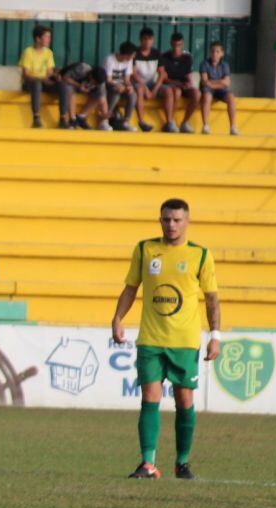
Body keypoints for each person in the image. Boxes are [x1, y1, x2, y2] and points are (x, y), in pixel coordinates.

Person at [111, 199, 220, 480]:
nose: (171, 225)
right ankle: (147, 463)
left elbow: (212, 299)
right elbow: (131, 288)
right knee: (150, 396)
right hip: (151, 339)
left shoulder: (200, 255)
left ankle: (182, 463)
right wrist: (118, 318)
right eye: (166, 219)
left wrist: (215, 336)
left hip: (184, 342)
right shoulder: (146, 249)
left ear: (186, 222)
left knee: (184, 400)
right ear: (160, 220)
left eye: (176, 220)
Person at [157, 32, 199, 133]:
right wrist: (177, 83)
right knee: (177, 92)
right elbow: (164, 78)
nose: (176, 48)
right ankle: (170, 122)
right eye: (175, 45)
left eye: (179, 45)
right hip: (172, 84)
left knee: (197, 93)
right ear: (171, 44)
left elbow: (189, 75)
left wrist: (189, 83)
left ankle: (185, 122)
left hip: (183, 85)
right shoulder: (164, 57)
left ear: (182, 44)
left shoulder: (187, 57)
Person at [18, 25, 56, 129]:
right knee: (37, 84)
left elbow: (50, 71)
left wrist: (50, 78)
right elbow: (26, 73)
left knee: (63, 86)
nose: (49, 40)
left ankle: (64, 119)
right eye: (46, 37)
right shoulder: (28, 52)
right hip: (30, 82)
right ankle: (36, 117)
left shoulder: (48, 53)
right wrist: (42, 78)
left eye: (49, 37)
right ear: (38, 38)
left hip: (44, 81)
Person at [199, 41, 239, 136]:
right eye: (212, 51)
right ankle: (206, 125)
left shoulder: (225, 65)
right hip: (208, 89)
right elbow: (205, 81)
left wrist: (212, 83)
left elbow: (227, 82)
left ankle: (233, 127)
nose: (214, 54)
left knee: (231, 98)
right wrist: (220, 81)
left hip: (220, 90)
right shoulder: (204, 64)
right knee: (207, 96)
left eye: (217, 51)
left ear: (222, 53)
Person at [58, 62, 107, 130]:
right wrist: (78, 85)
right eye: (94, 82)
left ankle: (81, 117)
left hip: (83, 89)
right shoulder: (82, 69)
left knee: (98, 97)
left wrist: (105, 115)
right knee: (70, 89)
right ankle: (72, 119)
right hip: (68, 83)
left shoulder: (101, 82)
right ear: (91, 75)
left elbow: (102, 98)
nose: (94, 84)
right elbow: (65, 78)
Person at [103, 42, 137, 131]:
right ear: (126, 55)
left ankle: (125, 121)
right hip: (109, 85)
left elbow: (126, 79)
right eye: (132, 55)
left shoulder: (129, 61)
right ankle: (104, 120)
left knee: (133, 95)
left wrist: (129, 86)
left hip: (121, 85)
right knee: (116, 93)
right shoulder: (110, 59)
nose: (133, 57)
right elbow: (108, 79)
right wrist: (117, 85)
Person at [132, 28, 160, 133]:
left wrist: (155, 90)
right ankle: (141, 121)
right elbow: (133, 74)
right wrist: (145, 89)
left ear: (153, 40)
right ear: (140, 40)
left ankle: (170, 122)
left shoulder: (156, 53)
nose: (147, 41)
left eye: (150, 39)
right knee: (139, 89)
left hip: (151, 83)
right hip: (138, 82)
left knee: (169, 92)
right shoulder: (135, 53)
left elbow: (162, 74)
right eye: (145, 39)